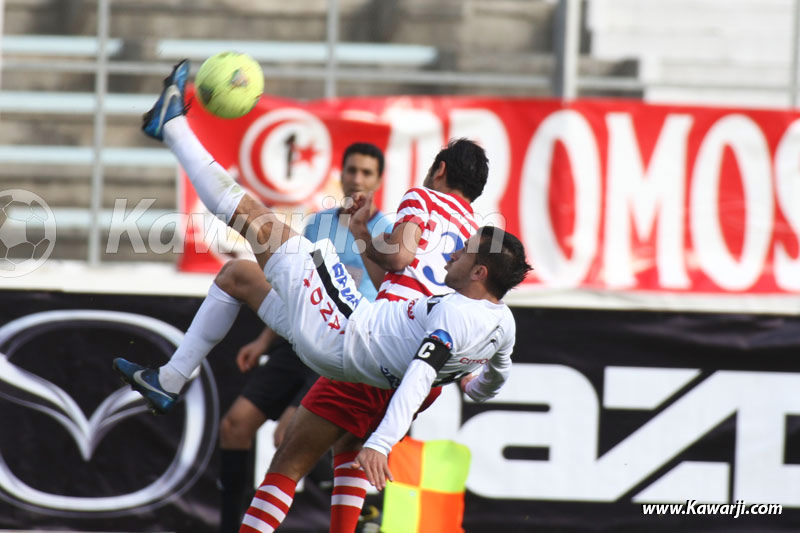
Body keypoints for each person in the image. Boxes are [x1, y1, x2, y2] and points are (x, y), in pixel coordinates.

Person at [113, 60, 531, 531]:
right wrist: (362, 236)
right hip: (394, 357)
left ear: (440, 169)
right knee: (239, 277)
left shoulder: (425, 197)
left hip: (355, 335)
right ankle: (168, 379)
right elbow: (408, 284)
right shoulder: (476, 243)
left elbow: (398, 261)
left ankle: (172, 127)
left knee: (254, 218)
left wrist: (371, 237)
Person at [217, 142, 392, 533]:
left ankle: (357, 517)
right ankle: (230, 524)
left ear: (379, 180)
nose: (357, 179)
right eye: (352, 171)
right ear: (341, 173)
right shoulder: (318, 224)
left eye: (366, 173)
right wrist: (263, 341)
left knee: (289, 437)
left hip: (342, 348)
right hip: (298, 338)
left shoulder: (388, 234)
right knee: (235, 425)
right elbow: (294, 286)